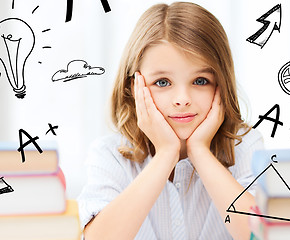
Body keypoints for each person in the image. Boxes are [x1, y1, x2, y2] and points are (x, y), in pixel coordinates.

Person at [77, 2, 264, 239]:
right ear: (133, 88)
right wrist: (166, 153)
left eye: (200, 81)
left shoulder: (244, 146)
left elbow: (261, 233)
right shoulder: (110, 155)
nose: (182, 99)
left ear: (221, 84)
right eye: (163, 82)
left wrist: (200, 152)